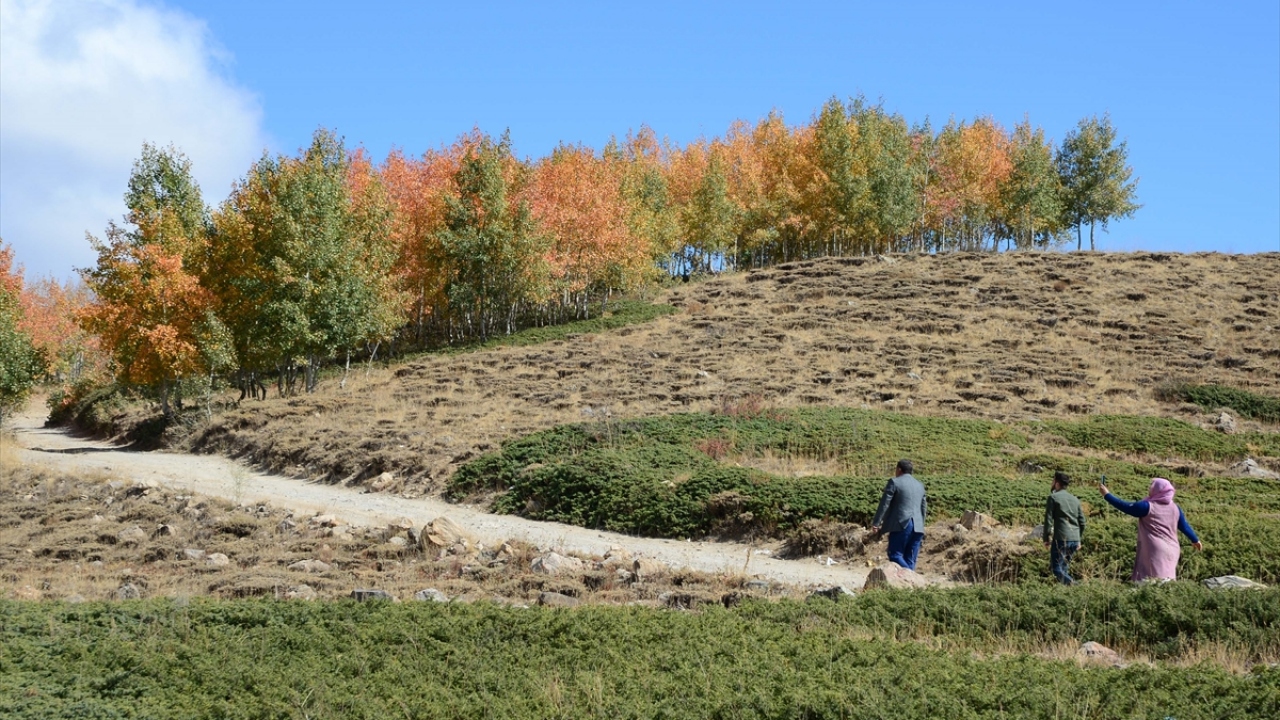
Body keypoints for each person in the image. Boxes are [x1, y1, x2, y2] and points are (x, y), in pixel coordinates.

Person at [1099, 477, 1202, 583]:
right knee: (1167, 582)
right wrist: (1195, 540)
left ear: (1157, 490)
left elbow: (1126, 507)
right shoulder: (1176, 508)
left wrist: (1107, 495)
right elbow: (1184, 526)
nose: (1150, 488)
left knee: (1151, 581)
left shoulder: (1147, 506)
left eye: (1152, 486)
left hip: (1155, 549)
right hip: (1173, 549)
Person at [870, 459, 927, 571]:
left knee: (895, 554)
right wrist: (922, 524)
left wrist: (876, 522)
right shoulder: (920, 485)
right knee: (910, 559)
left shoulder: (895, 482)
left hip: (902, 524)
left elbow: (884, 504)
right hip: (918, 526)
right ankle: (911, 580)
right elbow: (923, 507)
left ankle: (911, 577)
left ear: (899, 469)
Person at [1043, 471, 1086, 584]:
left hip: (1061, 538)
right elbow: (1082, 522)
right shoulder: (1075, 499)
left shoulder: (1053, 498)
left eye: (1053, 480)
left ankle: (1075, 586)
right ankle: (1066, 590)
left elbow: (1048, 521)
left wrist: (1046, 538)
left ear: (1057, 483)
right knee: (1064, 568)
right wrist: (1078, 539)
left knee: (1057, 569)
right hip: (1074, 539)